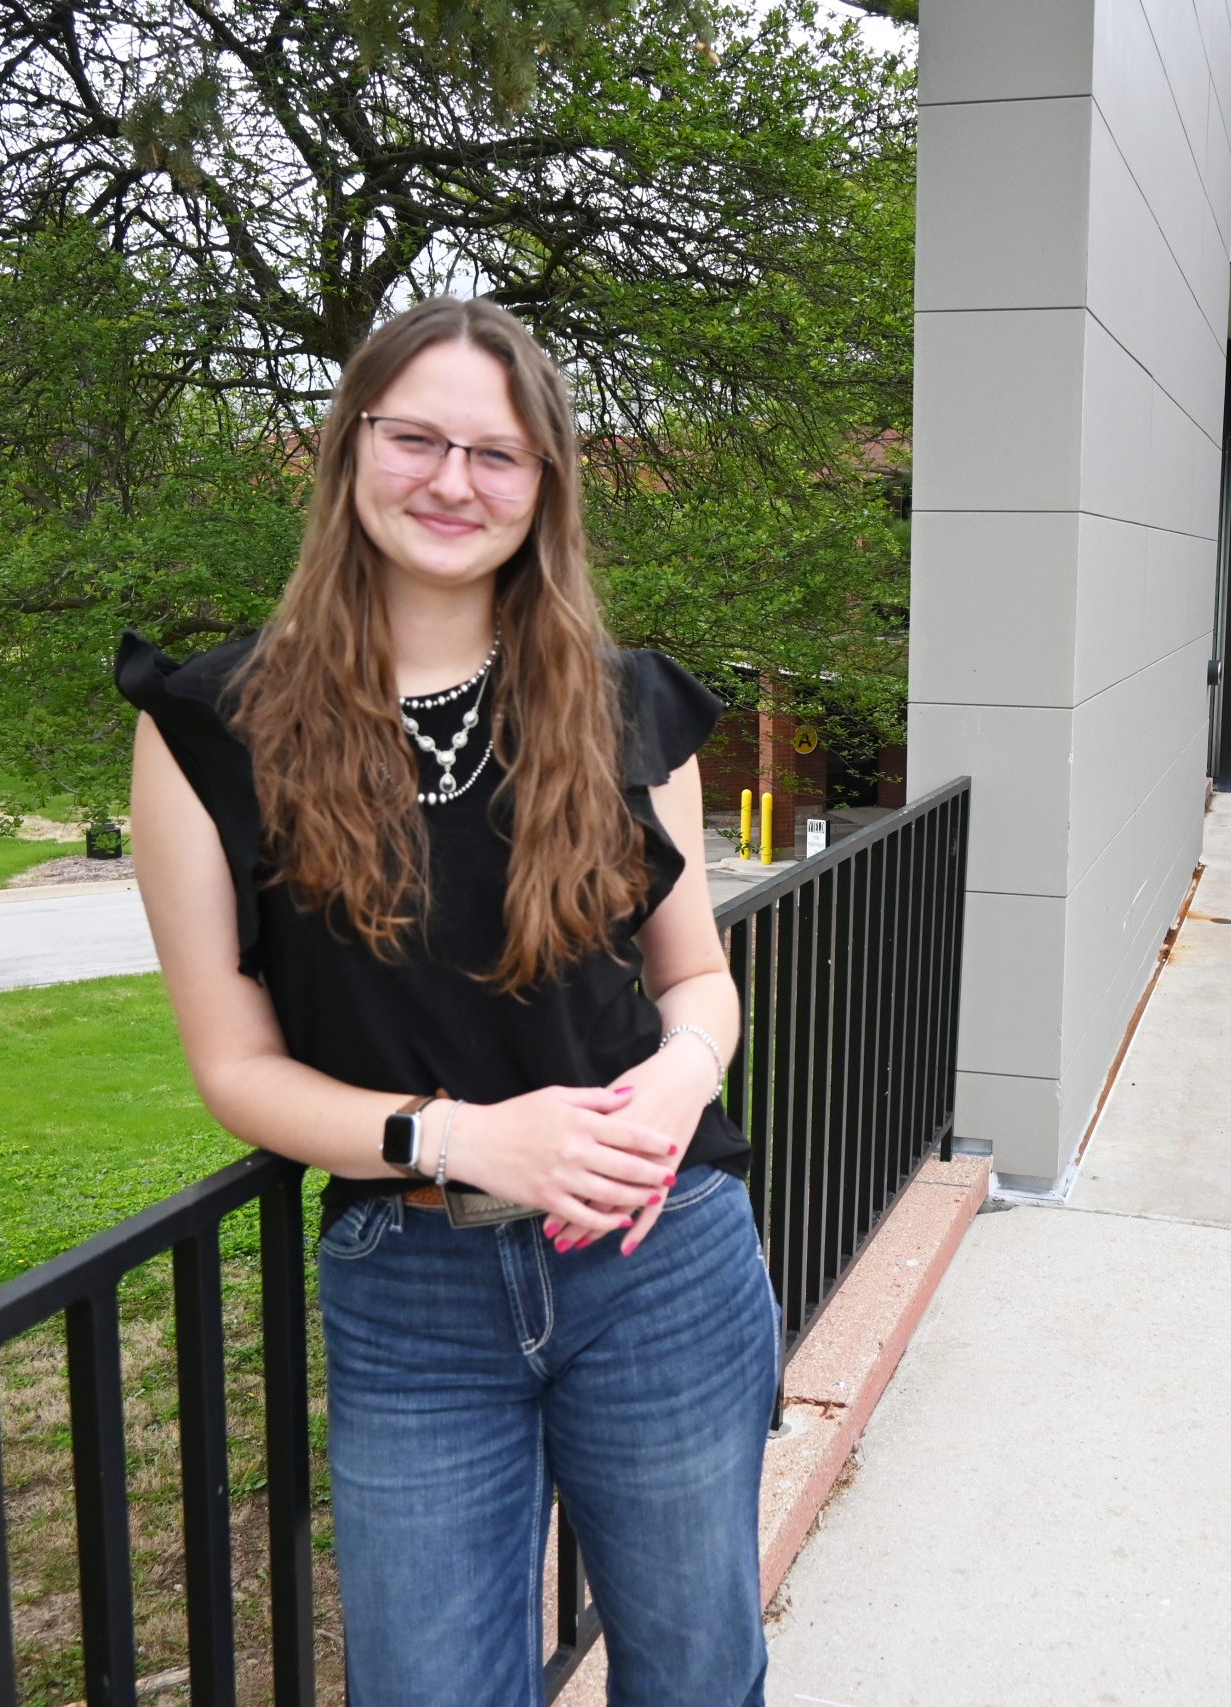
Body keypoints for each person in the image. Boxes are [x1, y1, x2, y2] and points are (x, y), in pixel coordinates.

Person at [116, 296, 778, 1707]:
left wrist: (676, 1083)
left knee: (697, 1673)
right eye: (415, 437)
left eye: (499, 453)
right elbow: (234, 1067)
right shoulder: (210, 727)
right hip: (410, 1288)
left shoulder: (626, 709)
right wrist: (459, 1137)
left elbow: (698, 980)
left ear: (545, 488)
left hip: (660, 1261)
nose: (453, 482)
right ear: (350, 448)